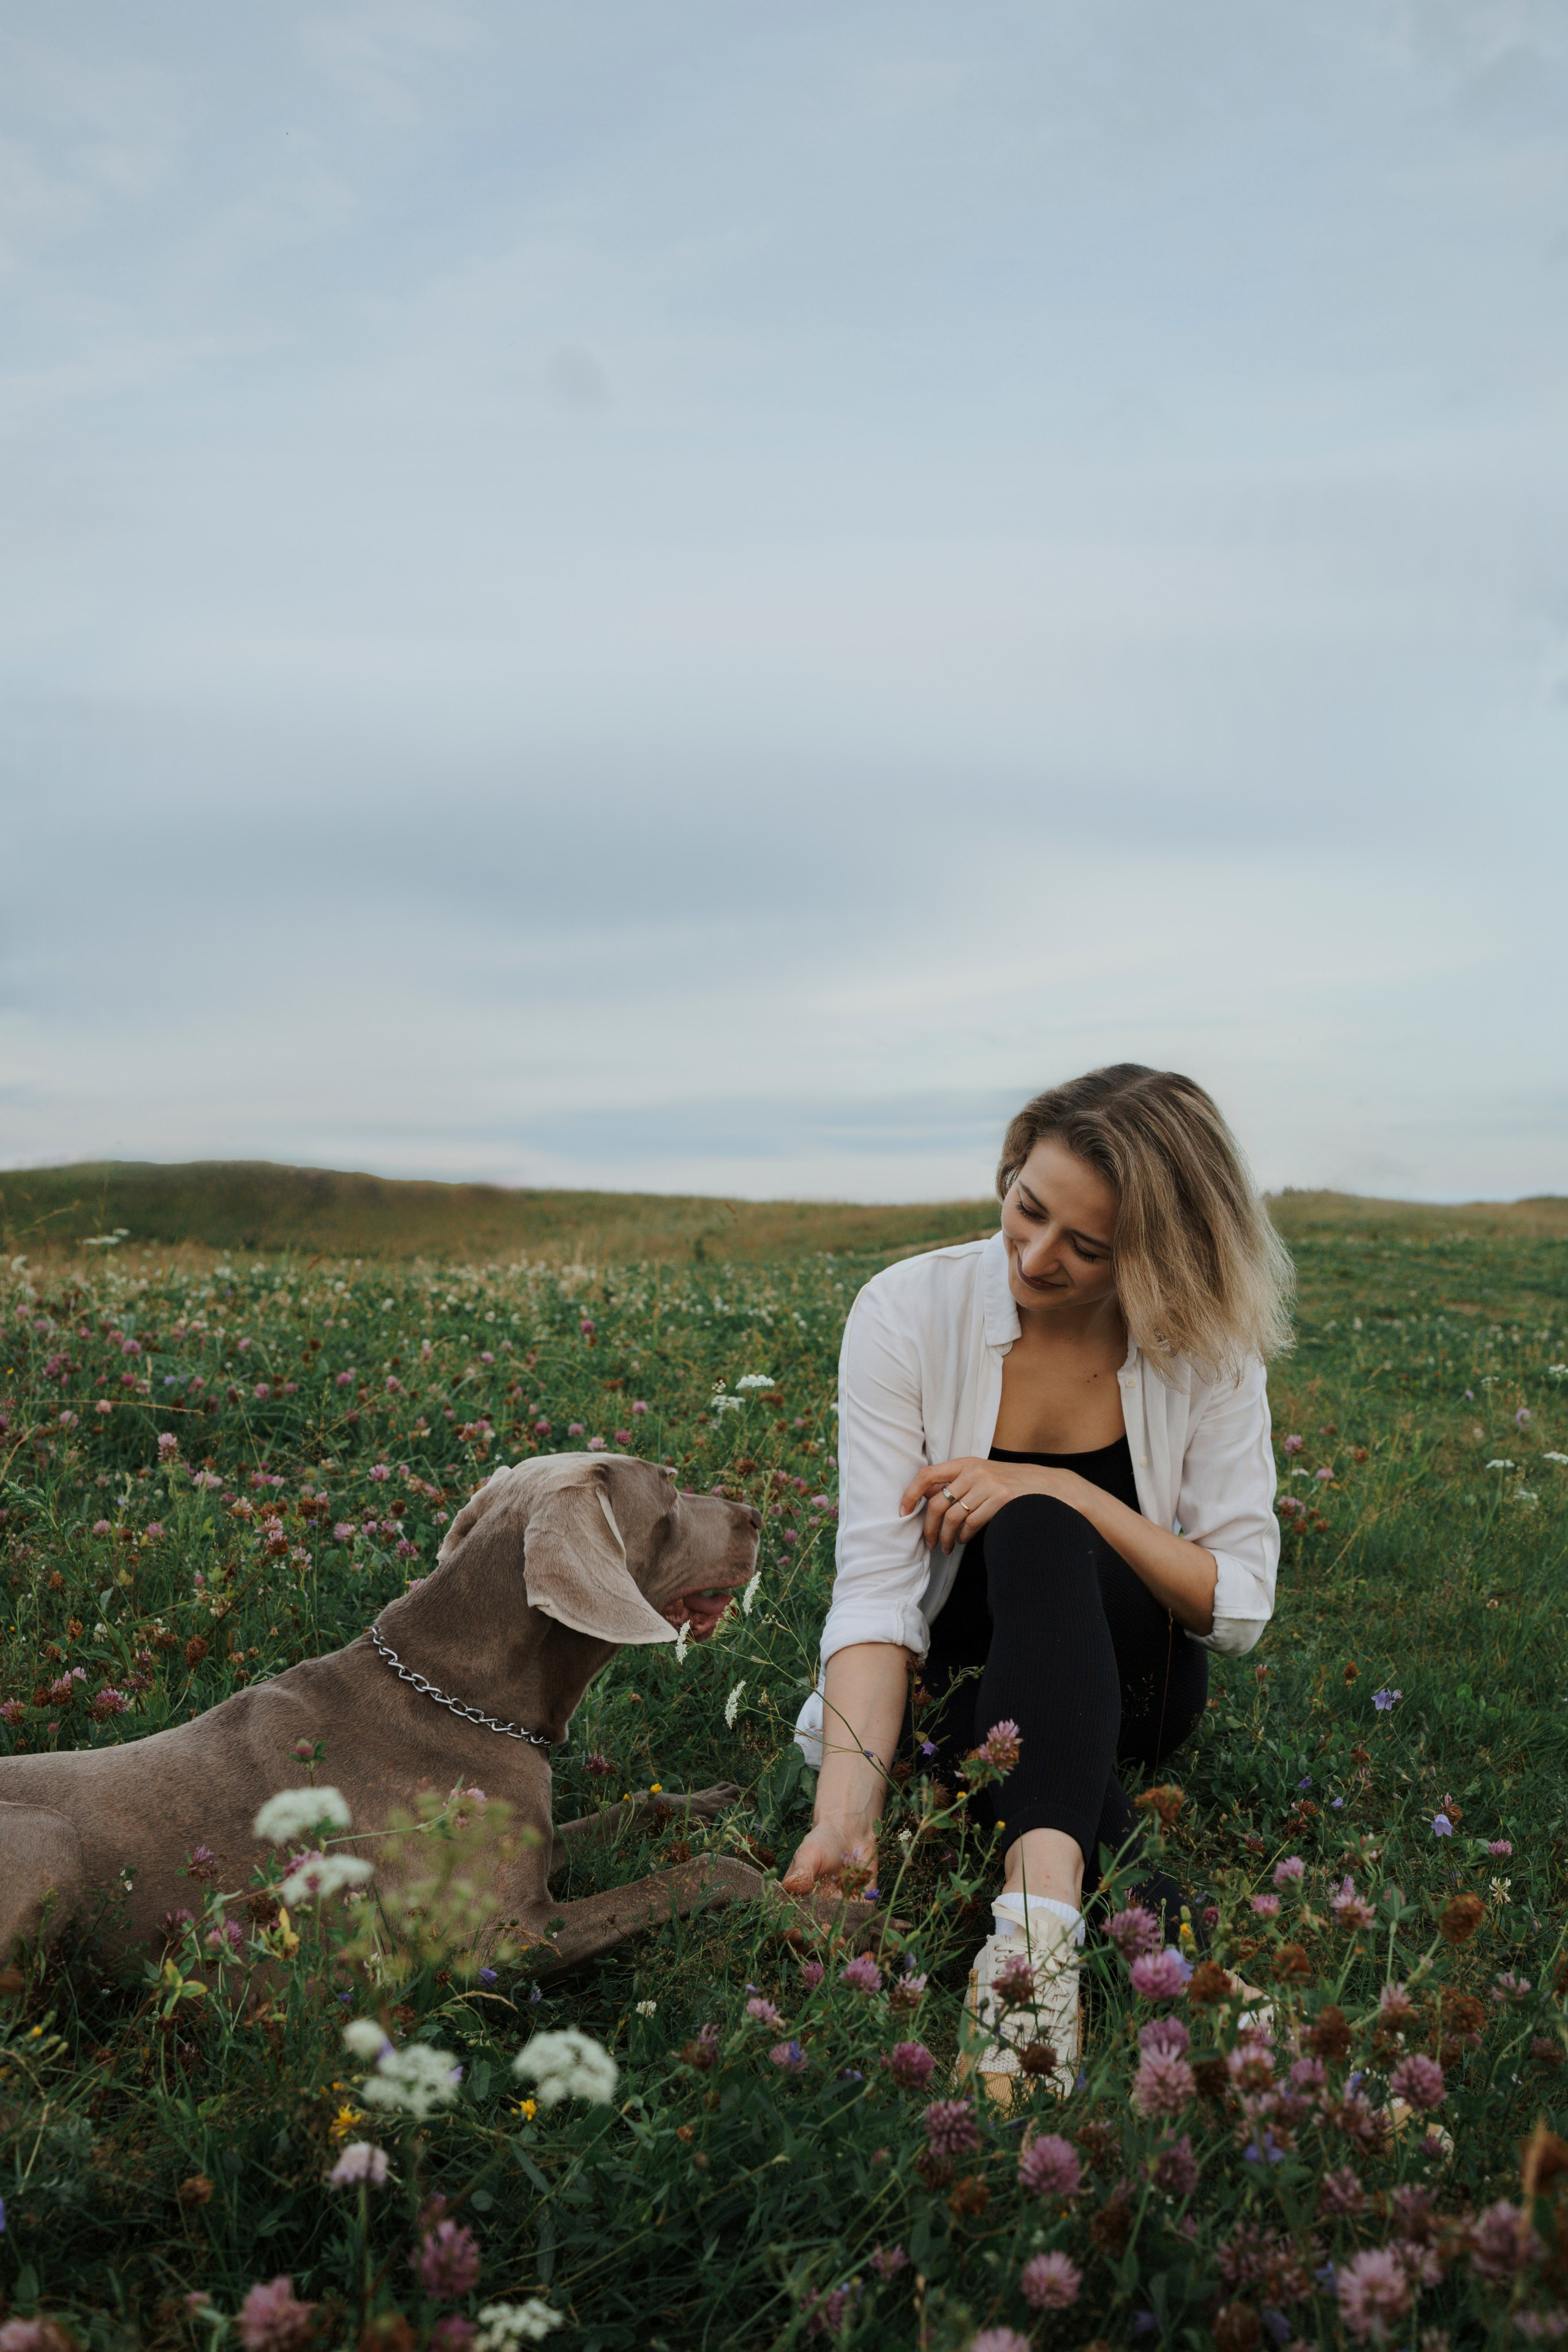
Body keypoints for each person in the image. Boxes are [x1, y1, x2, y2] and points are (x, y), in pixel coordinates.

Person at [783, 1064, 1291, 2097]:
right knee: (978, 1713)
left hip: (1132, 1689)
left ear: (1154, 1257)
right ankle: (1042, 1937)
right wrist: (845, 1820)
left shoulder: (1208, 1351)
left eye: (1088, 1247)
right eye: (1027, 1209)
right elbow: (879, 1592)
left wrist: (1063, 1492)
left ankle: (1035, 1922)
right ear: (1012, 1171)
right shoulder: (906, 1312)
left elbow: (1238, 1603)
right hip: (954, 1699)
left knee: (1042, 1523)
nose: (1036, 1255)